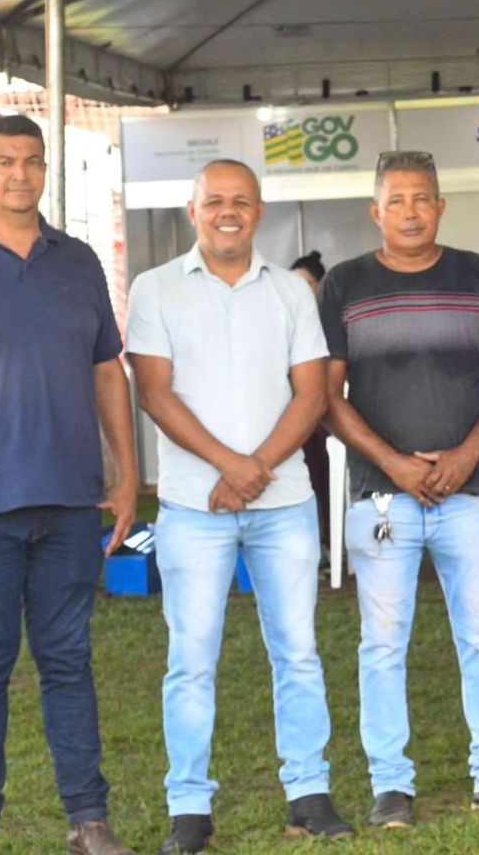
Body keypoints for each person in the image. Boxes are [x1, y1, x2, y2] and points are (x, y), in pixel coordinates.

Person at [127, 159, 352, 853]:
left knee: (299, 654)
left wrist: (253, 473)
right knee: (190, 661)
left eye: (241, 201)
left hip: (284, 505)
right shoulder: (155, 287)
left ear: (259, 212)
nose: (228, 212)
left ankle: (308, 794)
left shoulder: (290, 291)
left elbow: (312, 394)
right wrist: (235, 467)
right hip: (194, 508)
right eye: (214, 201)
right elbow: (154, 393)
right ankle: (189, 808)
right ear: (193, 211)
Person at [319, 151, 479, 826]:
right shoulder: (345, 285)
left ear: (440, 207)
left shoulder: (478, 275)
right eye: (397, 200)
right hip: (383, 499)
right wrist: (394, 464)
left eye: (422, 199)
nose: (410, 212)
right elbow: (327, 397)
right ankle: (391, 786)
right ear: (375, 211)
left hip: (467, 495)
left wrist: (468, 453)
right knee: (383, 643)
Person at [0, 115, 139, 855]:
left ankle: (89, 822)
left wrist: (128, 474)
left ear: (47, 169)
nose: (19, 174)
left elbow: (108, 372)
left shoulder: (78, 261)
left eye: (32, 161)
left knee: (68, 665)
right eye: (3, 161)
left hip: (72, 503)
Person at [289, 251, 331, 558]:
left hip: (326, 420)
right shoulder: (284, 321)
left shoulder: (330, 322)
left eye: (305, 284)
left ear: (319, 286)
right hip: (293, 419)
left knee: (325, 481)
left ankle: (330, 542)